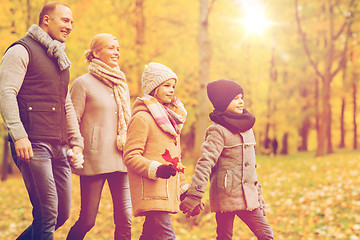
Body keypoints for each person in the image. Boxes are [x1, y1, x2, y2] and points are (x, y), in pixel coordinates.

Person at [0, 2, 84, 240]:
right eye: (65, 20)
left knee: (61, 214)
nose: (70, 26)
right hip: (33, 145)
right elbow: (6, 92)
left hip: (60, 146)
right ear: (46, 20)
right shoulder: (20, 50)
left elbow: (66, 103)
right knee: (47, 214)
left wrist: (76, 140)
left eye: (72, 22)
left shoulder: (59, 56)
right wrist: (19, 135)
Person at [180, 79, 274, 240]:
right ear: (223, 102)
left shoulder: (248, 128)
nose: (241, 101)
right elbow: (205, 162)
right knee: (225, 236)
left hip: (248, 197)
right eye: (235, 98)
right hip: (226, 196)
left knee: (266, 234)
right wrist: (195, 195)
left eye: (241, 97)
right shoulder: (218, 131)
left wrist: (259, 197)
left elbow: (251, 170)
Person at [66, 33, 132, 240]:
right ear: (96, 52)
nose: (116, 52)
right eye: (111, 48)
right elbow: (71, 120)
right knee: (87, 220)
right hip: (94, 160)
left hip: (121, 159)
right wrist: (76, 148)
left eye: (118, 48)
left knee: (125, 219)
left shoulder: (121, 83)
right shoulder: (82, 83)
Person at [124, 62, 189, 240]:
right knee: (168, 237)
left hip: (166, 190)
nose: (172, 90)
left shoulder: (171, 122)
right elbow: (130, 156)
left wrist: (184, 190)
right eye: (166, 85)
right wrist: (156, 169)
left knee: (150, 235)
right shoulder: (142, 118)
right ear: (153, 88)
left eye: (173, 86)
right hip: (151, 191)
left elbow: (176, 160)